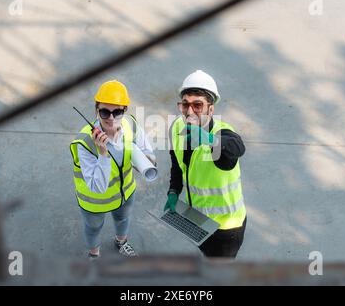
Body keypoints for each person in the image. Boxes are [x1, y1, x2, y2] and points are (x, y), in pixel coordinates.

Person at [166, 70, 247, 258]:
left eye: (198, 105)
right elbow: (177, 166)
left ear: (211, 109)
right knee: (207, 257)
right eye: (185, 104)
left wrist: (209, 139)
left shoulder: (222, 134)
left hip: (226, 228)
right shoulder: (177, 127)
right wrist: (173, 191)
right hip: (197, 218)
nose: (190, 111)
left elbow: (237, 147)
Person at [70, 80, 155, 259]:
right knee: (93, 228)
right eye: (104, 112)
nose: (110, 118)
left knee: (123, 219)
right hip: (94, 201)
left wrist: (144, 160)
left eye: (117, 112)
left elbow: (149, 154)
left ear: (124, 110)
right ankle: (94, 254)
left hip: (125, 193)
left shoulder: (130, 125)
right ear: (96, 110)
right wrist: (103, 154)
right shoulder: (84, 141)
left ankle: (121, 242)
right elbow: (97, 186)